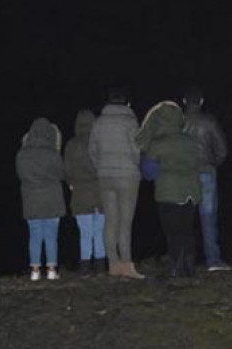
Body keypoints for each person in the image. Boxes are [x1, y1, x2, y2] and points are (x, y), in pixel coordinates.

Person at [138, 101, 201, 277]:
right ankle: (189, 265)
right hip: (191, 191)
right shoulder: (189, 141)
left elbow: (149, 173)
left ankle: (176, 266)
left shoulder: (157, 143)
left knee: (172, 231)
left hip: (168, 192)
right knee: (187, 229)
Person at [89, 92, 145, 279]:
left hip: (105, 176)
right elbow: (137, 149)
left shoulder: (98, 122)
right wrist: (135, 166)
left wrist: (101, 167)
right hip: (127, 175)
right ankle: (127, 264)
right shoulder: (130, 122)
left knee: (110, 221)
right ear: (127, 103)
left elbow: (92, 150)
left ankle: (113, 264)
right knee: (125, 222)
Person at [181, 87, 231, 271]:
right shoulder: (209, 122)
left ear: (184, 102)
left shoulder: (178, 123)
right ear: (201, 101)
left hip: (183, 173)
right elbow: (222, 150)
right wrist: (212, 163)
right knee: (208, 218)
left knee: (184, 218)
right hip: (206, 172)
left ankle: (185, 260)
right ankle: (213, 260)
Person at [17, 117, 65, 281]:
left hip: (31, 199)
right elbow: (61, 174)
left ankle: (35, 271)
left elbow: (20, 175)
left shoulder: (22, 154)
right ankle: (51, 270)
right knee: (51, 235)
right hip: (52, 198)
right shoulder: (53, 153)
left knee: (35, 235)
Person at [64, 109, 106, 277]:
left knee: (85, 233)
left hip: (80, 193)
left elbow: (66, 170)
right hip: (100, 192)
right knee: (99, 232)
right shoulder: (100, 143)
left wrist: (71, 183)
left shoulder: (71, 145)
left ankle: (86, 268)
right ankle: (101, 267)